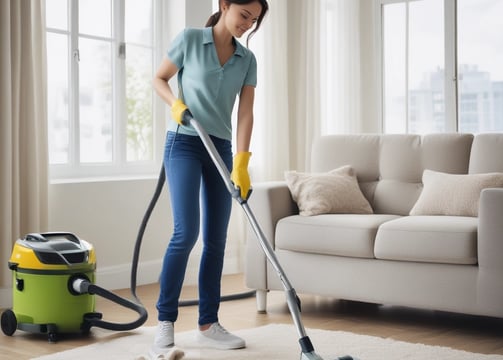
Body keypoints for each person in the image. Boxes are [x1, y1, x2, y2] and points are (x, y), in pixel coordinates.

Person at [150, 0, 269, 357]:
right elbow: (158, 78)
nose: (248, 24)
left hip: (221, 146)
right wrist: (175, 104)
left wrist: (243, 162)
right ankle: (165, 321)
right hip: (184, 142)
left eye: (255, 20)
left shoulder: (247, 61)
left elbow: (245, 113)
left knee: (217, 239)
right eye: (244, 15)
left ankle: (208, 324)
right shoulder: (189, 39)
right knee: (186, 232)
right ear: (224, 5)